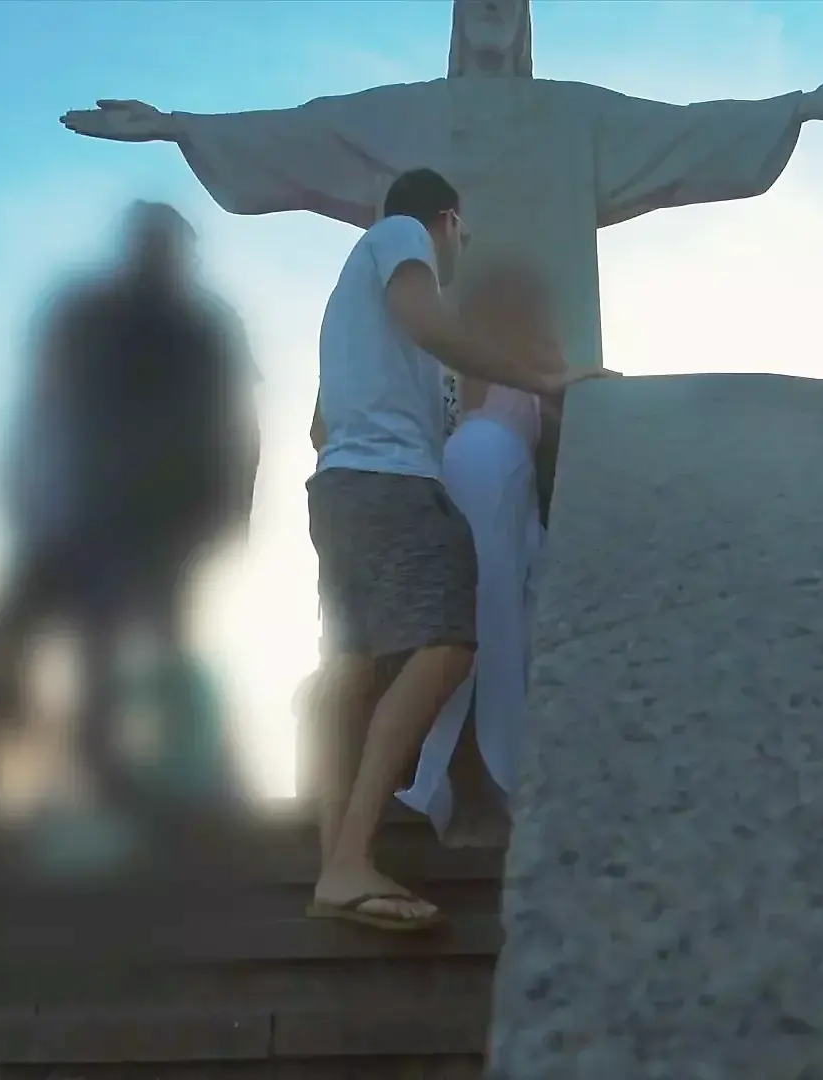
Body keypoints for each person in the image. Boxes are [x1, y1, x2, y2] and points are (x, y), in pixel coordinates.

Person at [303, 167, 604, 931]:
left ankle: (338, 862)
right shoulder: (400, 236)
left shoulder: (352, 310)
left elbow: (318, 425)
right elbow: (430, 323)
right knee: (446, 645)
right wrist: (546, 379)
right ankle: (349, 858)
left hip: (341, 488)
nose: (462, 246)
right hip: (389, 484)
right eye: (463, 232)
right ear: (446, 219)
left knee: (356, 669)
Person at [2, 200, 258, 808]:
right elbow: (48, 408)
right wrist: (34, 498)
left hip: (169, 515)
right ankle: (109, 782)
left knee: (165, 646)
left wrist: (232, 505)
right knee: (102, 648)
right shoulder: (93, 317)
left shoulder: (199, 328)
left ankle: (192, 777)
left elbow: (232, 425)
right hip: (100, 512)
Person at [395, 257, 560, 843]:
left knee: (510, 622)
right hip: (489, 467)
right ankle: (480, 786)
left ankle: (486, 783)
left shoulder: (480, 358)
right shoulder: (509, 358)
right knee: (491, 624)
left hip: (493, 471)